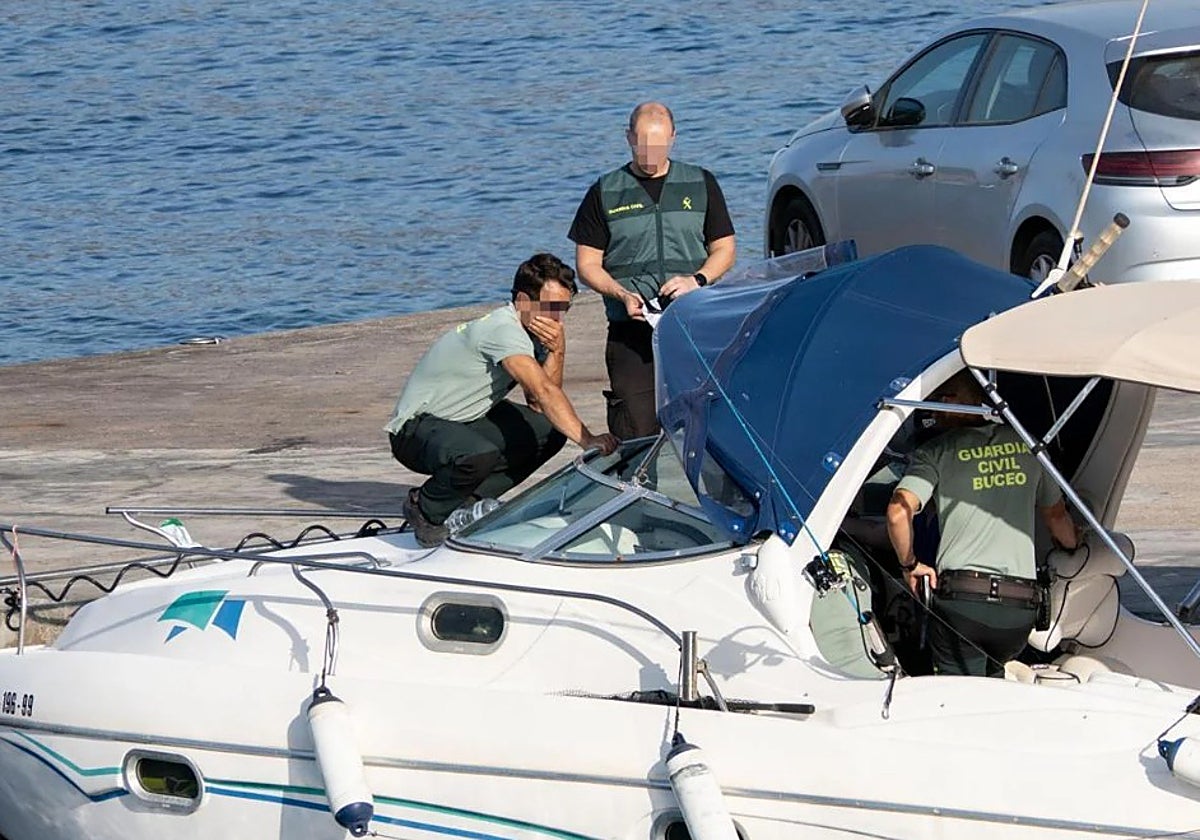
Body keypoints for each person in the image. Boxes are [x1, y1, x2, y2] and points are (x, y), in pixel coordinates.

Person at [386, 253, 620, 547]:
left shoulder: (534, 331)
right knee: (477, 453)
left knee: (548, 432)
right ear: (522, 301)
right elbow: (545, 393)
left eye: (563, 309)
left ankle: (464, 503)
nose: (556, 319)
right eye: (549, 309)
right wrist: (587, 439)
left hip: (464, 420)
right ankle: (426, 508)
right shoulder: (503, 329)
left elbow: (538, 404)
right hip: (413, 430)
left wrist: (558, 350)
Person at [886, 371, 1079, 677]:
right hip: (1020, 610)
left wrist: (910, 565)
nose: (933, 411)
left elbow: (898, 512)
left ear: (959, 401)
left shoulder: (936, 452)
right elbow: (1057, 519)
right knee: (994, 688)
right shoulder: (1028, 446)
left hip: (963, 604)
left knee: (957, 698)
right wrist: (1074, 547)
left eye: (939, 400)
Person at [568, 101, 736, 440]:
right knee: (636, 431)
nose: (650, 152)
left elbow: (725, 249)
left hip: (691, 324)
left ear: (673, 137)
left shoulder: (700, 183)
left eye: (658, 144)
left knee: (705, 426)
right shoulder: (605, 191)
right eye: (642, 143)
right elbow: (587, 264)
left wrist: (696, 280)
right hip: (631, 330)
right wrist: (620, 293)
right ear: (628, 137)